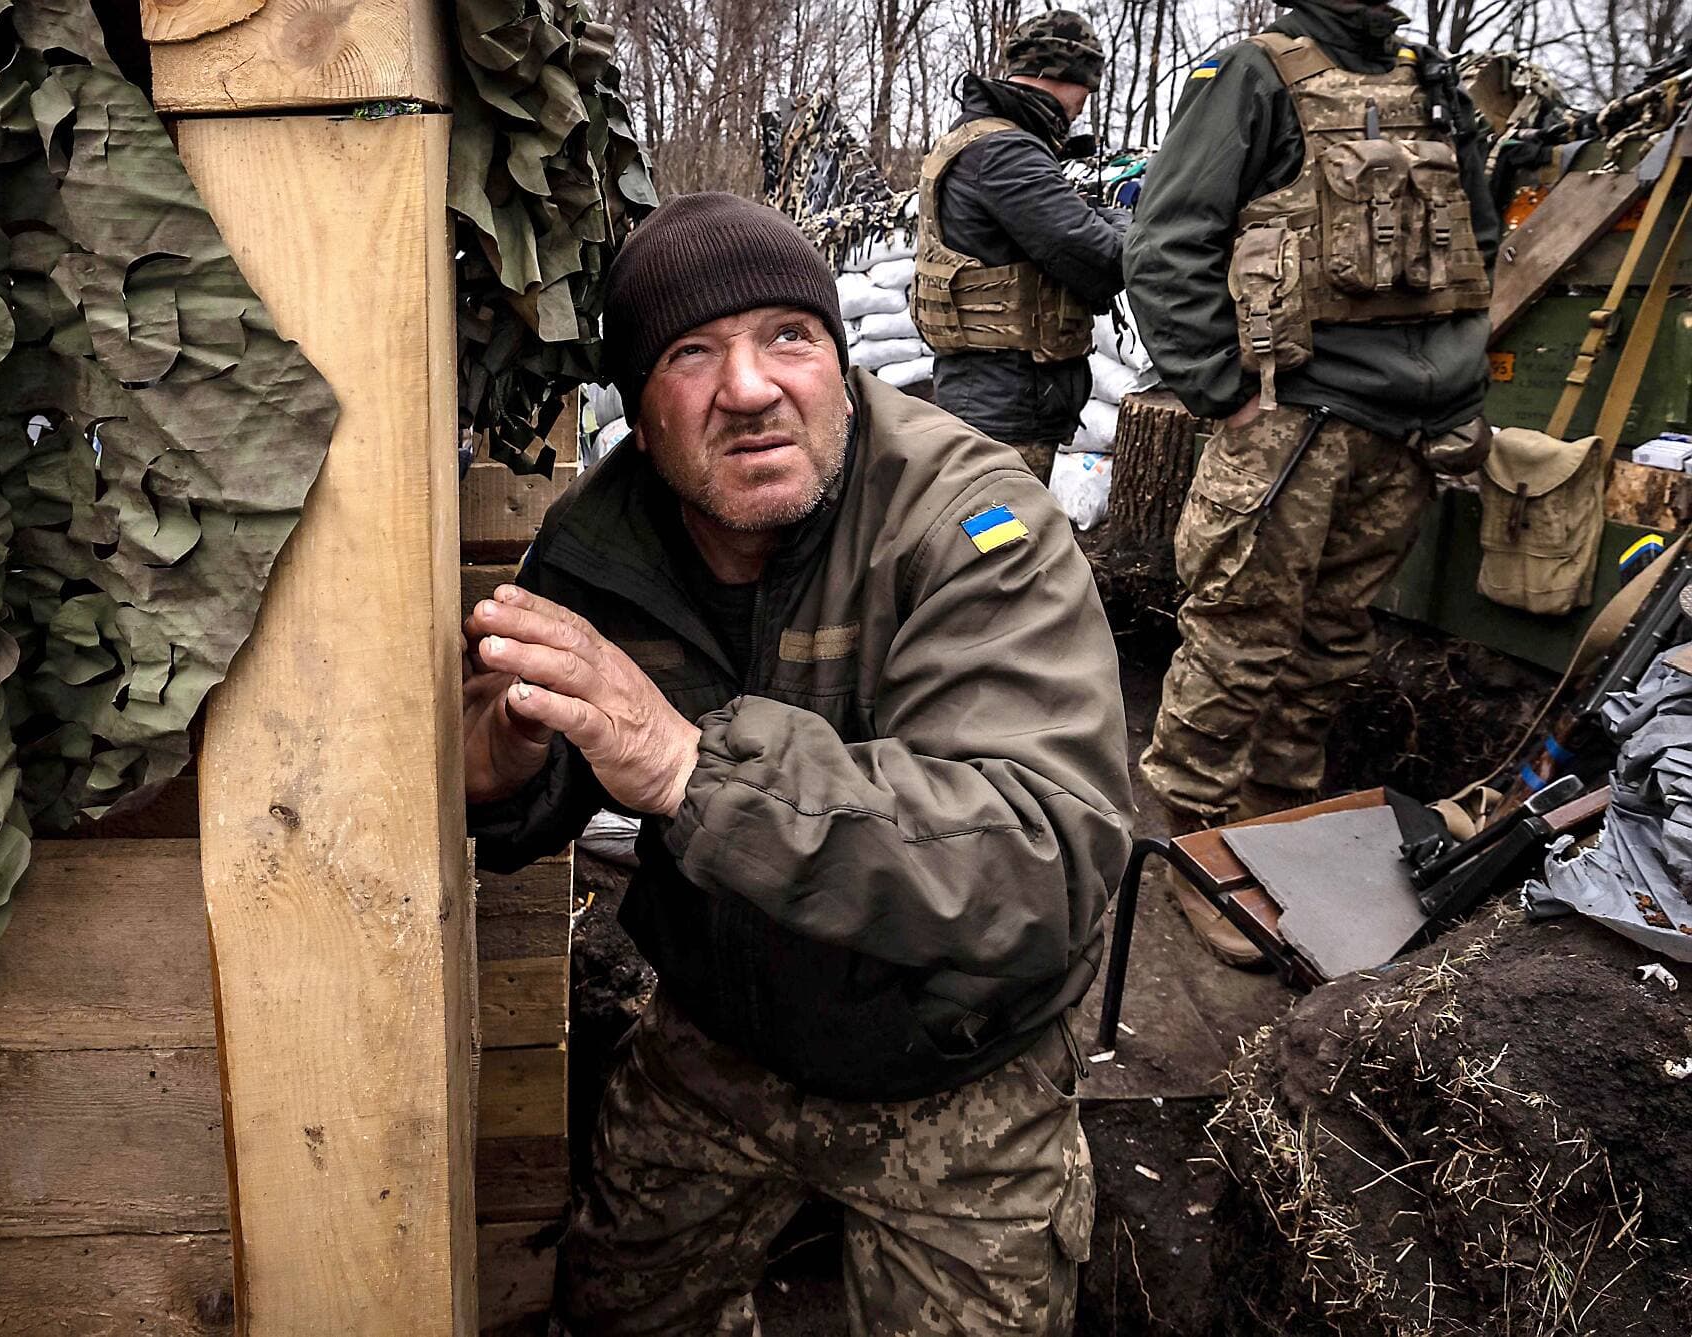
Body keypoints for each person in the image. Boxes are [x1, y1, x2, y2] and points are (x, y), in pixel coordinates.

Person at [463, 191, 1133, 1336]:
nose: (749, 387)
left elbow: (1042, 859)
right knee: (613, 1306)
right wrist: (502, 762)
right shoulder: (606, 540)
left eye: (788, 334)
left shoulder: (970, 526)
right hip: (721, 1039)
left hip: (955, 1064)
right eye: (690, 353)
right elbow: (536, 789)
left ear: (834, 353)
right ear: (638, 405)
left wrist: (690, 765)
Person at [1123, 0, 1498, 965]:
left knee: (1333, 643)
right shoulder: (1257, 74)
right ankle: (1197, 844)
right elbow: (1166, 242)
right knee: (1240, 637)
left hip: (1405, 429)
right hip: (1291, 422)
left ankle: (1280, 822)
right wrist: (1223, 391)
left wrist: (1453, 386)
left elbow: (1477, 242)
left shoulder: (1429, 78)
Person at [915, 10, 1129, 483]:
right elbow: (1100, 259)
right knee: (1001, 540)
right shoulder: (1007, 152)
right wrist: (1132, 225)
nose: (1083, 105)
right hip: (1006, 400)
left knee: (988, 535)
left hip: (995, 390)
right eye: (1086, 88)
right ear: (1062, 75)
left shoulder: (979, 138)